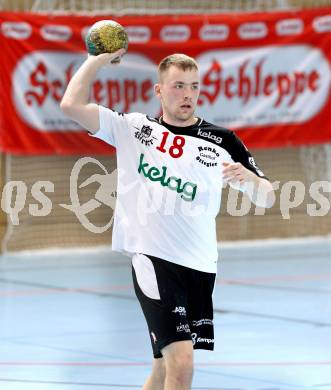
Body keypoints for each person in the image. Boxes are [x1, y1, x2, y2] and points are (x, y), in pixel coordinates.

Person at [61, 49, 275, 390]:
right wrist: (97, 59)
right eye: (177, 86)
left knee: (162, 369)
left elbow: (267, 195)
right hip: (153, 261)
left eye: (194, 86)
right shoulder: (132, 128)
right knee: (182, 364)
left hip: (201, 265)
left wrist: (249, 180)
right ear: (159, 91)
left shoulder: (223, 141)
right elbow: (70, 105)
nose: (187, 94)